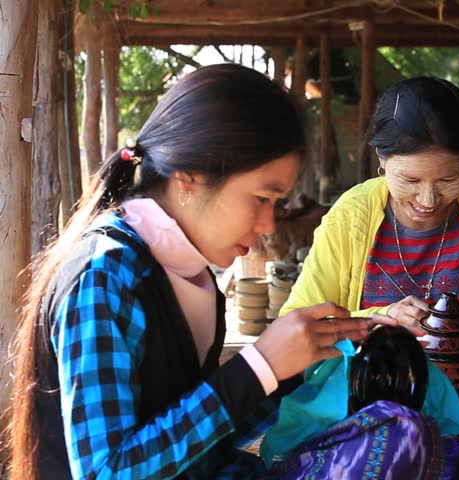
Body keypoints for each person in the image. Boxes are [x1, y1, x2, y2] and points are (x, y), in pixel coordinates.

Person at [6, 64, 388, 479]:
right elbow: (107, 472)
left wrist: (302, 366)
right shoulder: (105, 276)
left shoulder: (189, 274)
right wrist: (258, 366)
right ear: (189, 178)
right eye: (262, 198)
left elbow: (200, 441)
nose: (268, 225)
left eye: (276, 204)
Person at [281, 76, 459, 334]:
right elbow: (296, 323)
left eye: (448, 179)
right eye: (410, 180)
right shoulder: (350, 215)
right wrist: (381, 317)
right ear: (381, 159)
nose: (428, 200)